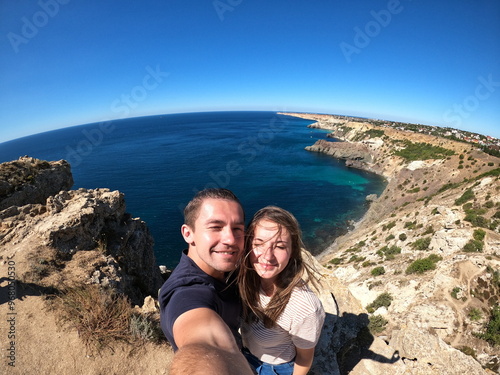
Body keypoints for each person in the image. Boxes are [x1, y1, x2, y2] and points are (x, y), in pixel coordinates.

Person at [159, 188, 253, 375]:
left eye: (237, 228)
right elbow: (206, 344)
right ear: (188, 233)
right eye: (215, 227)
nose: (230, 239)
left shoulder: (225, 268)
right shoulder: (187, 292)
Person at [238, 206, 325, 375]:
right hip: (244, 355)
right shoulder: (245, 278)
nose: (267, 255)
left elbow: (305, 358)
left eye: (279, 246)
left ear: (292, 252)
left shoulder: (304, 307)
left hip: (275, 369)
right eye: (259, 243)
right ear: (248, 245)